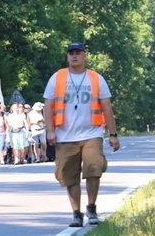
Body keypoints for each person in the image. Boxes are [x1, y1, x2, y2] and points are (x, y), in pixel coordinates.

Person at [43, 42, 120, 227]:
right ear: (67, 56)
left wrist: (113, 134)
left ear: (84, 56)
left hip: (91, 132)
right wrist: (50, 131)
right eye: (71, 53)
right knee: (69, 175)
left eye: (78, 53)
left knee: (94, 167)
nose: (74, 56)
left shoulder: (95, 78)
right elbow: (48, 105)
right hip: (65, 135)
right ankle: (76, 213)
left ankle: (91, 207)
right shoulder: (57, 77)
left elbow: (106, 107)